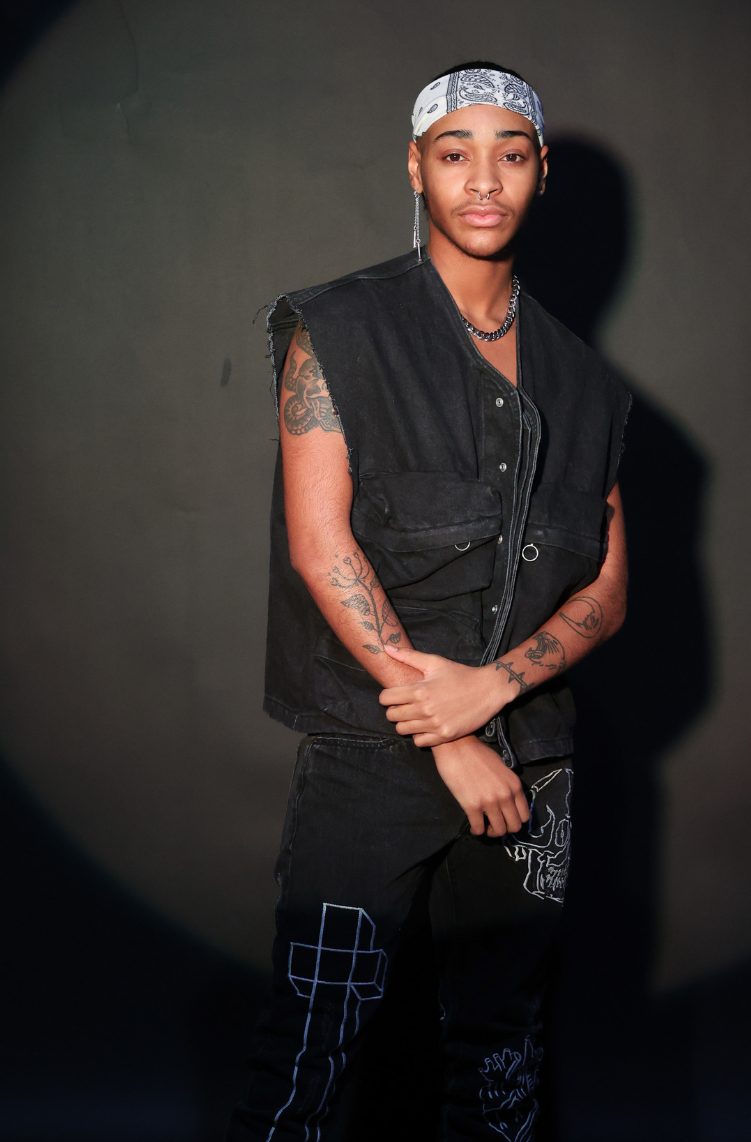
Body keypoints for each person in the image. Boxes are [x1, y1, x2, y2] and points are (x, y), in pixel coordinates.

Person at [228, 63, 631, 1140]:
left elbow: (608, 585)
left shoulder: (589, 384)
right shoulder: (338, 329)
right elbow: (321, 547)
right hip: (372, 751)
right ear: (416, 168)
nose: (483, 179)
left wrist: (493, 694)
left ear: (539, 174)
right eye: (455, 153)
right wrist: (448, 731)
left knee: (502, 1062)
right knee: (309, 1044)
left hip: (532, 763)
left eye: (510, 154)